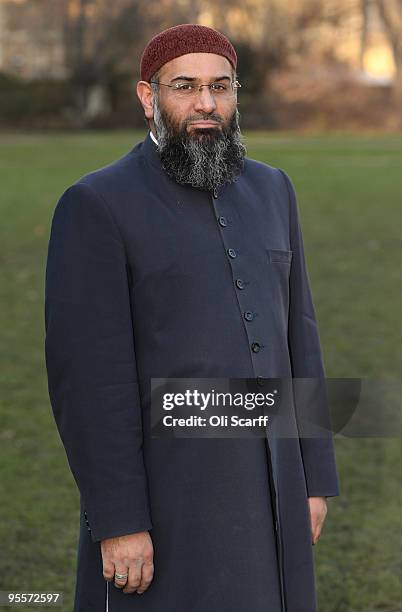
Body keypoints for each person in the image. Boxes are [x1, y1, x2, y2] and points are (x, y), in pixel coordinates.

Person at [44, 23, 340, 612]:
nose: (206, 103)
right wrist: (119, 518)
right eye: (185, 86)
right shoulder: (96, 204)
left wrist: (314, 478)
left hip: (275, 484)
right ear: (148, 97)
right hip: (167, 492)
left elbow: (299, 337)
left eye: (221, 86)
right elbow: (90, 384)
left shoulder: (274, 190)